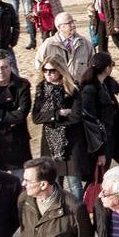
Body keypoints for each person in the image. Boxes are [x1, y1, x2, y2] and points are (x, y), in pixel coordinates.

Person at [32, 58, 87, 201]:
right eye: (45, 70)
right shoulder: (41, 89)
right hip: (50, 144)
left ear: (60, 70)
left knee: (75, 184)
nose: (48, 74)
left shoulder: (72, 88)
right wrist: (59, 114)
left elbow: (75, 117)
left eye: (52, 71)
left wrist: (51, 119)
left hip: (71, 142)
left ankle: (78, 215)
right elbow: (36, 117)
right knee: (54, 183)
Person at [80, 52, 119, 172]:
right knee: (97, 180)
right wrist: (99, 152)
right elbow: (91, 122)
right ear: (107, 69)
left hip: (108, 139)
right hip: (100, 144)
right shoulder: (90, 90)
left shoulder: (104, 85)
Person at [33, 12, 94, 83]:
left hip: (80, 87)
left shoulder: (85, 43)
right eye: (69, 23)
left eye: (73, 22)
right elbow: (39, 65)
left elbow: (92, 66)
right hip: (57, 88)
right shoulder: (49, 44)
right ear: (59, 27)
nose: (73, 25)